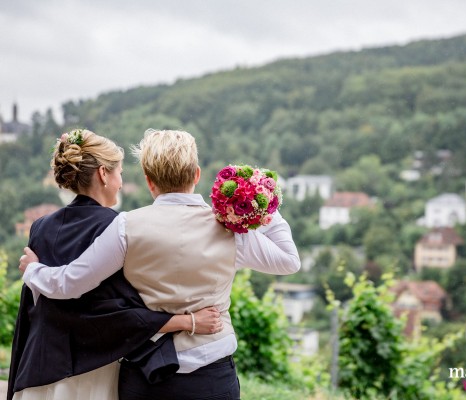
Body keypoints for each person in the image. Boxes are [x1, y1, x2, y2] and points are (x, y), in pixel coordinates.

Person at [20, 129, 301, 400]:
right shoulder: (227, 227)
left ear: (148, 181)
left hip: (145, 377)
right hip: (212, 375)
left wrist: (34, 270)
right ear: (197, 174)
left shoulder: (125, 226)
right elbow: (289, 261)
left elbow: (70, 283)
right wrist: (261, 202)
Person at [9, 129, 222, 400]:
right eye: (120, 172)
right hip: (91, 373)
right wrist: (186, 320)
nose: (121, 182)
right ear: (103, 173)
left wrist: (33, 271)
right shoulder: (118, 228)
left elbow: (35, 309)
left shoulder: (40, 227)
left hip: (38, 370)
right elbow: (117, 314)